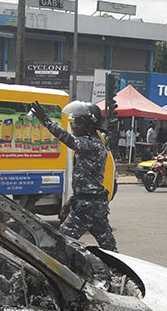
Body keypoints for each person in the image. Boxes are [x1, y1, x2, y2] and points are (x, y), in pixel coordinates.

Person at [31, 100, 116, 251]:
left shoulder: (92, 144)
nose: (74, 126)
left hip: (87, 207)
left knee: (60, 243)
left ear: (89, 125)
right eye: (73, 122)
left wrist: (45, 119)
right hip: (93, 204)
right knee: (108, 246)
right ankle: (119, 270)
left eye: (79, 123)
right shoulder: (91, 143)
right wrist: (71, 200)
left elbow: (68, 139)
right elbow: (86, 179)